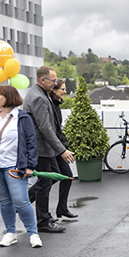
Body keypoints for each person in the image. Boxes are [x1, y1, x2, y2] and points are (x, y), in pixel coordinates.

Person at [0, 84, 41, 249]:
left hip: (15, 165)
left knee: (21, 200)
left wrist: (30, 166)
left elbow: (31, 143)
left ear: (8, 97)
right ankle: (10, 233)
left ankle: (33, 233)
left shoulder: (23, 117)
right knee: (5, 201)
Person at [23, 66, 74, 233]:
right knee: (45, 183)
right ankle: (43, 221)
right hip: (41, 149)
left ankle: (37, 212)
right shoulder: (38, 97)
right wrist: (62, 150)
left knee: (52, 178)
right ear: (42, 80)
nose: (55, 83)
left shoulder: (40, 94)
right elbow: (45, 128)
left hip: (45, 148)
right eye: (53, 80)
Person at [49, 80, 78, 221]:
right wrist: (62, 148)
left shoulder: (56, 105)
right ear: (54, 90)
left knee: (67, 176)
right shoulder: (50, 105)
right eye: (62, 89)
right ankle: (24, 203)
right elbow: (51, 131)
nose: (65, 92)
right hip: (53, 149)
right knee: (50, 179)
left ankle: (62, 208)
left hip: (58, 147)